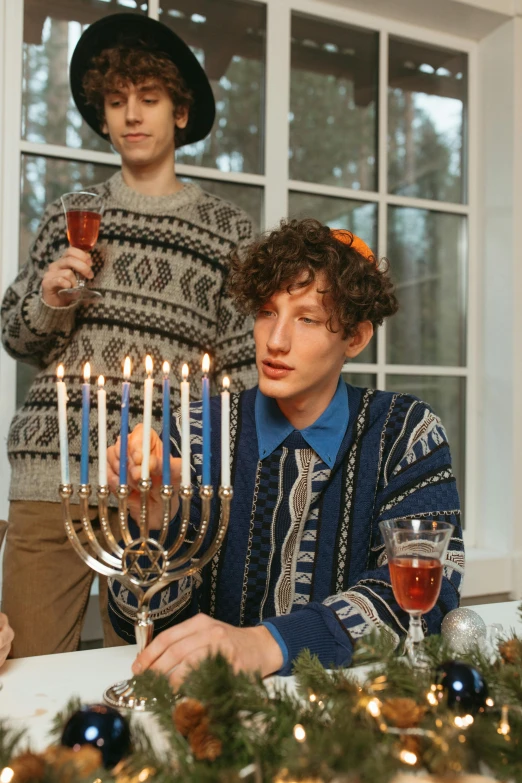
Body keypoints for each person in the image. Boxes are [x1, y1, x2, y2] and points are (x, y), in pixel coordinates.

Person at [106, 218, 464, 686]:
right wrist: (152, 532)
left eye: (307, 319)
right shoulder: (196, 429)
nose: (275, 341)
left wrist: (266, 643)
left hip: (352, 707)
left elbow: (427, 598)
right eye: (267, 312)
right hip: (212, 704)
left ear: (355, 338)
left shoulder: (405, 432)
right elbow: (138, 622)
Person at [0, 13, 256, 658]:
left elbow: (243, 377)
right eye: (116, 102)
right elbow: (13, 334)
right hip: (49, 478)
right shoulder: (70, 215)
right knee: (24, 673)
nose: (130, 116)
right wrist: (49, 300)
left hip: (155, 490)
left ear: (180, 111)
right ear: (102, 114)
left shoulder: (229, 232)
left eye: (148, 99)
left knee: (150, 676)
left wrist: (205, 477)